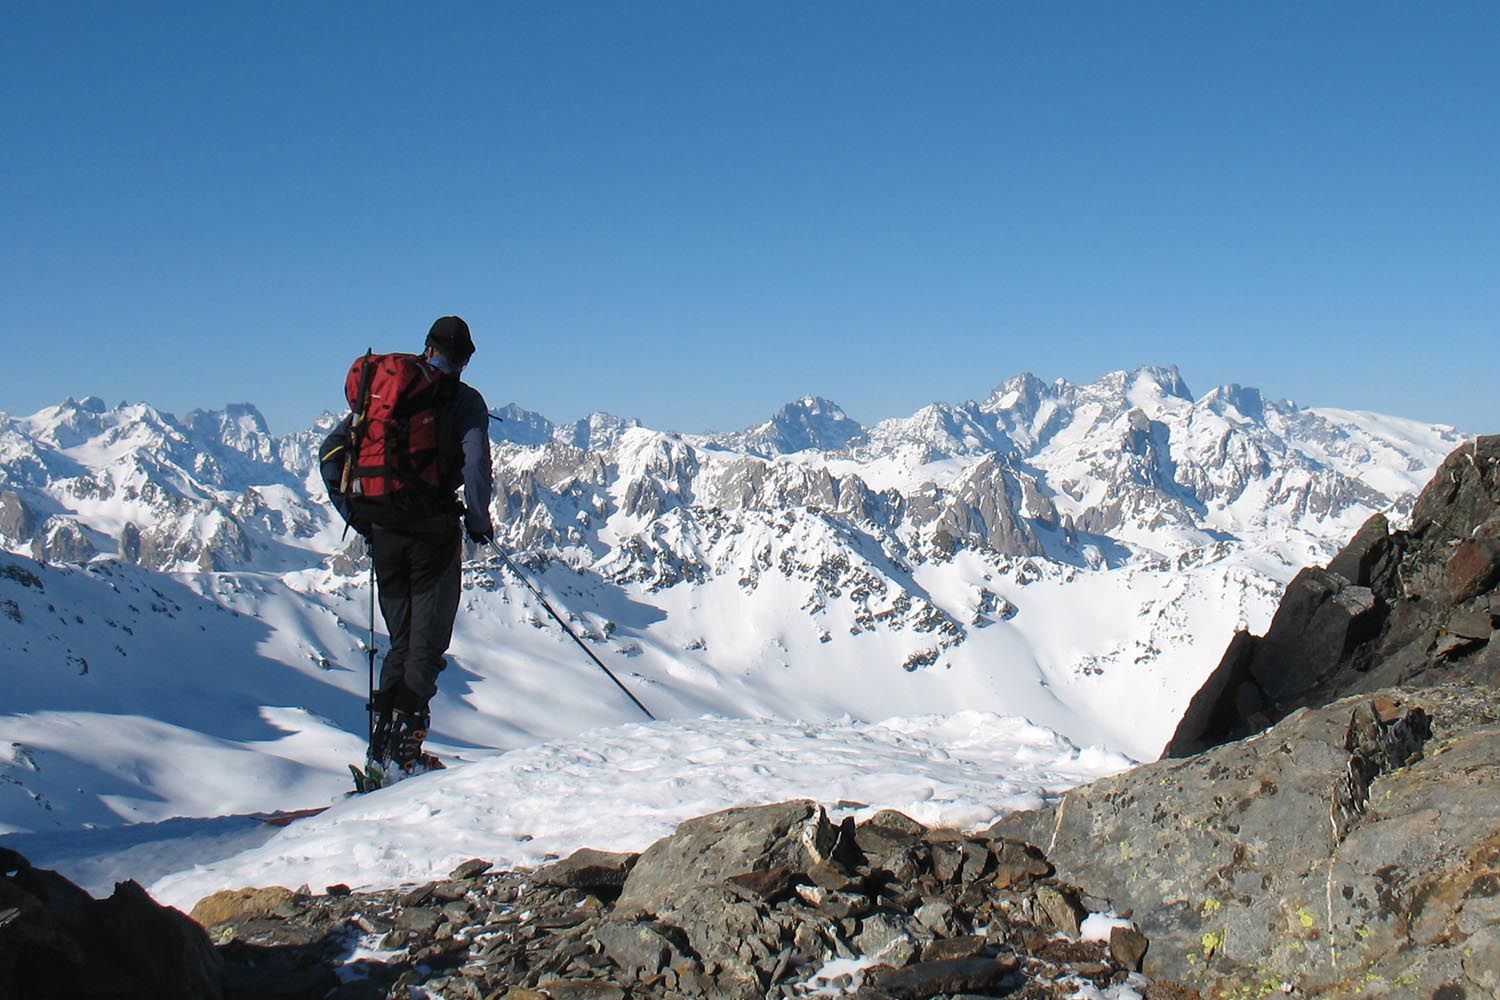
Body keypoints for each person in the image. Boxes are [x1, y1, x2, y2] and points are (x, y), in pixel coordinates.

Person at [320, 315, 494, 776]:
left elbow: (333, 451)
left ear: (425, 346)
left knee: (401, 642)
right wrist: (479, 522)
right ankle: (402, 756)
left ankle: (381, 751)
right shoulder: (462, 400)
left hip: (382, 531)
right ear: (466, 358)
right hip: (431, 533)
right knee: (426, 644)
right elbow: (475, 466)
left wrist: (358, 515)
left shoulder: (386, 392)